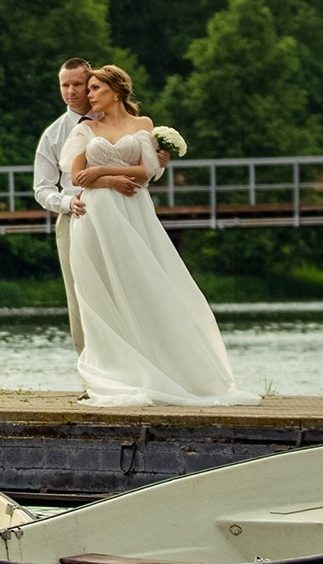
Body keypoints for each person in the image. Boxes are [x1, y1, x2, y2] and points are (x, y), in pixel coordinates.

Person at [64, 63, 259, 408]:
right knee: (101, 290)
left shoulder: (143, 125)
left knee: (145, 283)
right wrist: (108, 180)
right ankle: (115, 371)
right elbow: (79, 177)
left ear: (116, 91)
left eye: (95, 88)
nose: (88, 94)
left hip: (134, 211)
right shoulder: (85, 129)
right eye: (88, 88)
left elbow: (148, 170)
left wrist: (106, 170)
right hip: (96, 216)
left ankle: (165, 366)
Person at [30, 58, 95, 352]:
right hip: (73, 219)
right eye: (64, 85)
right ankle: (91, 375)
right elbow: (42, 189)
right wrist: (68, 202)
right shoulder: (53, 134)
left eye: (77, 84)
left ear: (90, 84)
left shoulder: (113, 122)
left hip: (116, 213)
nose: (70, 91)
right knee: (78, 295)